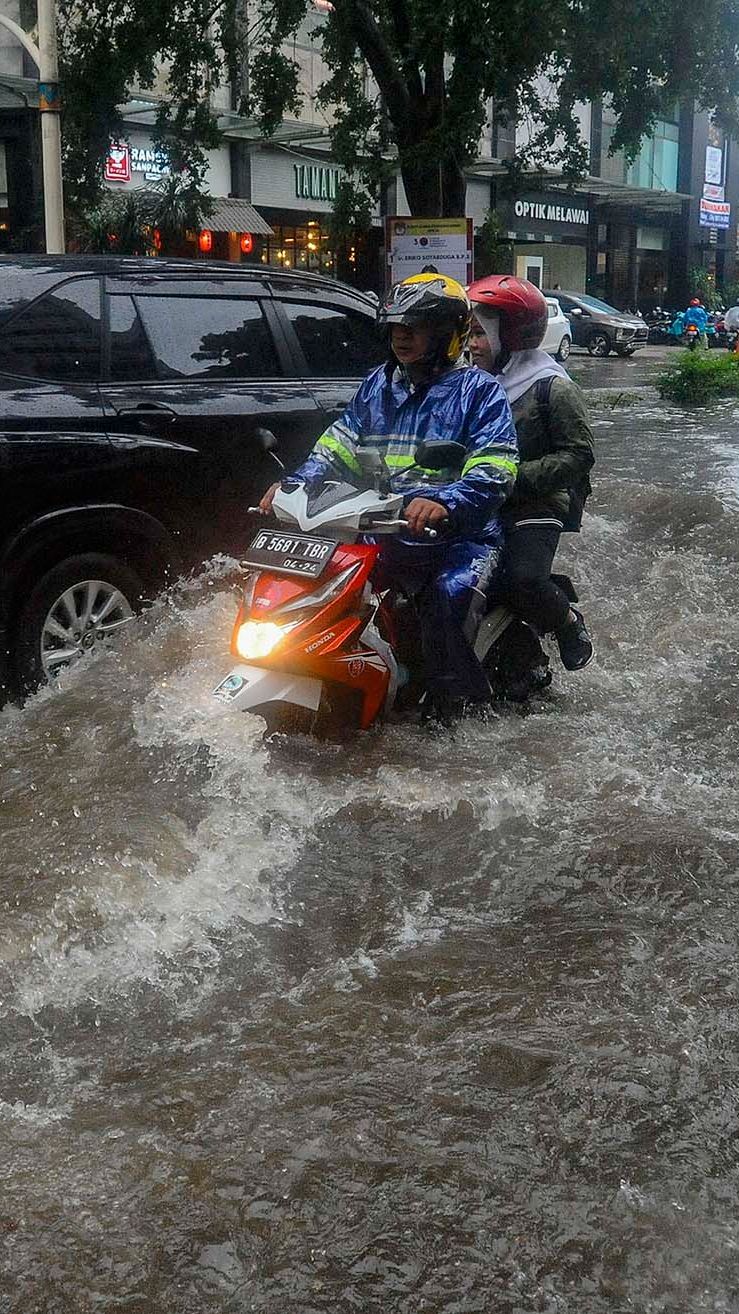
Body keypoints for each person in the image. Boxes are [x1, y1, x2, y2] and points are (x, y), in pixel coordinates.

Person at [259, 273, 519, 715]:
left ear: (445, 334)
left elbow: (497, 465)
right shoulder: (379, 383)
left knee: (446, 601)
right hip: (382, 528)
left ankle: (459, 710)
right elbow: (337, 444)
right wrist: (293, 485)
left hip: (459, 539)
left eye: (413, 326)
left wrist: (445, 501)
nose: (401, 335)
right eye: (396, 326)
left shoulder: (481, 391)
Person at [466, 274, 595, 671]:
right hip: (477, 497)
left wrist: (513, 478)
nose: (471, 345)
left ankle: (567, 621)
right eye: (468, 333)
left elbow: (579, 456)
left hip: (536, 502)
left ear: (511, 335)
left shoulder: (552, 388)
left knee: (521, 579)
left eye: (480, 334)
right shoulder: (469, 384)